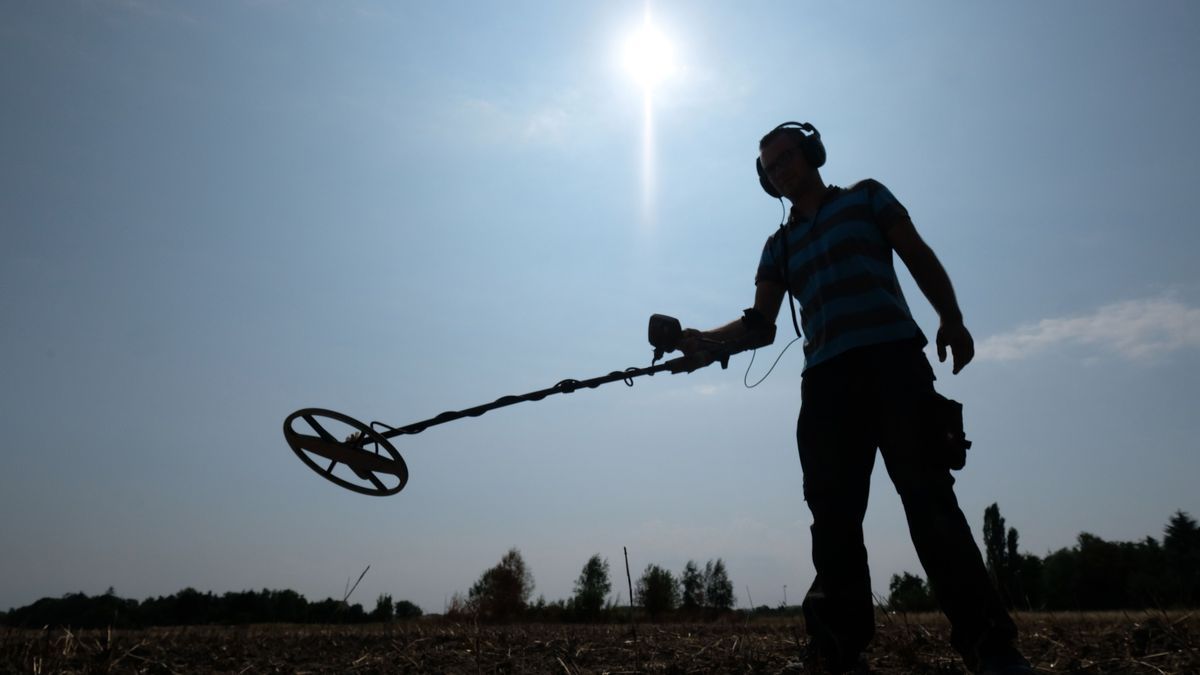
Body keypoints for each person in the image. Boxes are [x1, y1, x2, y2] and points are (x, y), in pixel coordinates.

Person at [675, 122, 1032, 675]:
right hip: (826, 386)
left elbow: (915, 253)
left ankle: (992, 647)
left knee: (931, 504)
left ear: (813, 154)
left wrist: (952, 316)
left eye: (788, 157)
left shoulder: (867, 195)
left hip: (895, 366)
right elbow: (761, 324)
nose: (781, 169)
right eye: (770, 168)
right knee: (833, 521)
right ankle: (837, 652)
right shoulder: (779, 246)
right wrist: (704, 343)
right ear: (765, 181)